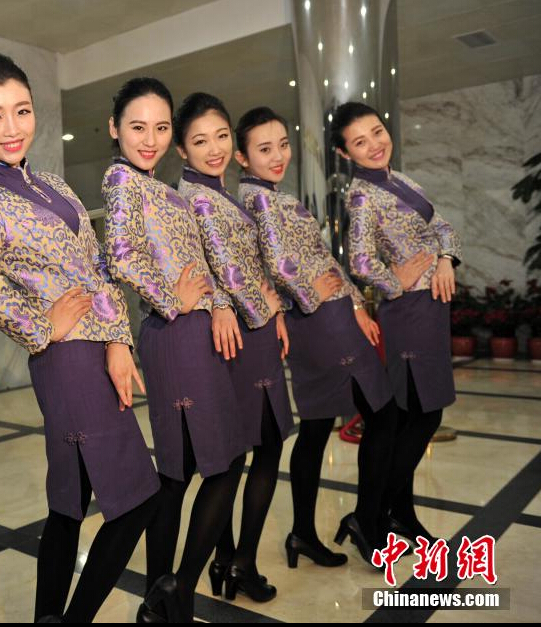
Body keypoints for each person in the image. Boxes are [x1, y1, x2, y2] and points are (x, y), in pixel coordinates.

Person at [0, 52, 161, 623]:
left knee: (67, 508)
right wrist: (39, 326)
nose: (13, 126)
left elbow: (97, 269)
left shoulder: (56, 187)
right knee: (135, 501)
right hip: (65, 362)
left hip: (96, 352)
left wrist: (119, 339)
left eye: (22, 110)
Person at [102, 77, 247, 622]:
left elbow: (199, 262)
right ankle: (177, 587)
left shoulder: (156, 186)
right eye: (138, 127)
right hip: (176, 333)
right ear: (115, 129)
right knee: (223, 464)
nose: (150, 139)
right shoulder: (122, 180)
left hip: (190, 333)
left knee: (179, 471)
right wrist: (175, 299)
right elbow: (119, 257)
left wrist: (217, 301)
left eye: (161, 128)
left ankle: (160, 595)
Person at [236, 106, 398, 566]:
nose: (278, 156)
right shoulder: (261, 199)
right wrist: (316, 293)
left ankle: (305, 533)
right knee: (381, 417)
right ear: (243, 158)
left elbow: (321, 256)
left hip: (329, 317)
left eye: (283, 145)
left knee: (316, 430)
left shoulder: (271, 193)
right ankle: (365, 523)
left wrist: (353, 300)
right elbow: (279, 262)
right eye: (264, 149)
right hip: (322, 322)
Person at [174, 93, 294, 602]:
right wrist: (265, 306)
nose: (216, 148)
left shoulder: (218, 192)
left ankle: (228, 561)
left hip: (253, 330)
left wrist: (276, 306)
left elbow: (255, 260)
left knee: (246, 450)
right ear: (182, 149)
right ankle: (236, 562)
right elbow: (223, 270)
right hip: (239, 335)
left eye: (222, 135)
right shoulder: (197, 197)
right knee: (252, 450)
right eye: (201, 141)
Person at [334, 101, 461, 543]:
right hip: (408, 312)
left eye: (377, 131)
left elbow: (443, 226)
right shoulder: (363, 194)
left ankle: (397, 513)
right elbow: (360, 260)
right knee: (422, 416)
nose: (374, 144)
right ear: (346, 153)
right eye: (360, 141)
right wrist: (396, 283)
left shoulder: (400, 179)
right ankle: (373, 512)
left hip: (431, 308)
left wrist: (445, 260)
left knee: (417, 416)